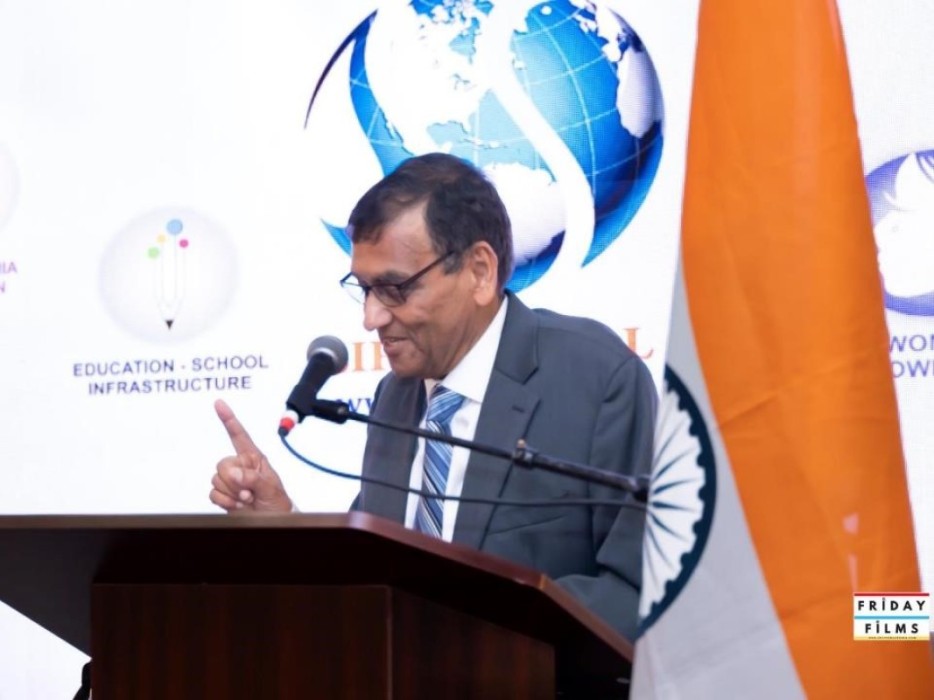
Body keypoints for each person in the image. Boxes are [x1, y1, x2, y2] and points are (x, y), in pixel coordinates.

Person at [209, 153, 657, 640]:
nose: (371, 318)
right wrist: (285, 526)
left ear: (479, 271)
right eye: (364, 289)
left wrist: (467, 634)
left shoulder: (596, 379)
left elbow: (636, 593)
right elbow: (375, 581)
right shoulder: (393, 397)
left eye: (394, 288)